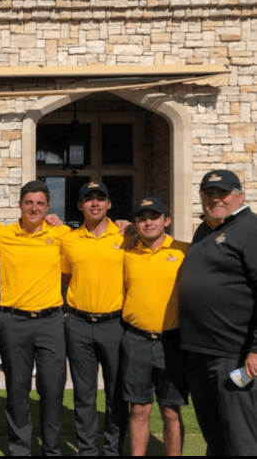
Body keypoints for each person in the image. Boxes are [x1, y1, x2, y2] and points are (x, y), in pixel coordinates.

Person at [178, 169, 257, 455]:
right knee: (215, 435)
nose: (215, 200)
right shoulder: (206, 230)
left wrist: (256, 349)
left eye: (222, 194)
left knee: (241, 438)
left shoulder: (250, 229)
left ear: (239, 195)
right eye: (208, 194)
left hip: (233, 354)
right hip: (199, 352)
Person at [0, 181, 72, 456]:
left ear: (48, 206)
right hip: (13, 321)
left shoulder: (61, 234)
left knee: (52, 389)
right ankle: (19, 449)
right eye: (29, 203)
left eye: (40, 204)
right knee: (17, 389)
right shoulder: (2, 235)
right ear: (20, 205)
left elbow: (78, 262)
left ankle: (52, 450)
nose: (34, 208)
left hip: (51, 321)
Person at [61, 181, 127, 456]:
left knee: (116, 393)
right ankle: (87, 450)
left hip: (115, 324)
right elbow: (65, 279)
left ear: (109, 204)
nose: (95, 203)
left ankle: (113, 450)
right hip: (78, 324)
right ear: (80, 205)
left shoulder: (126, 236)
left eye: (101, 198)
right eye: (89, 199)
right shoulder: (69, 239)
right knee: (84, 395)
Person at [121, 197, 188, 456]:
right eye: (141, 218)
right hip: (136, 339)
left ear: (167, 220)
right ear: (136, 223)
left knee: (170, 410)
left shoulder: (183, 250)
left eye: (154, 217)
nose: (148, 223)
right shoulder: (127, 252)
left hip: (171, 341)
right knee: (138, 408)